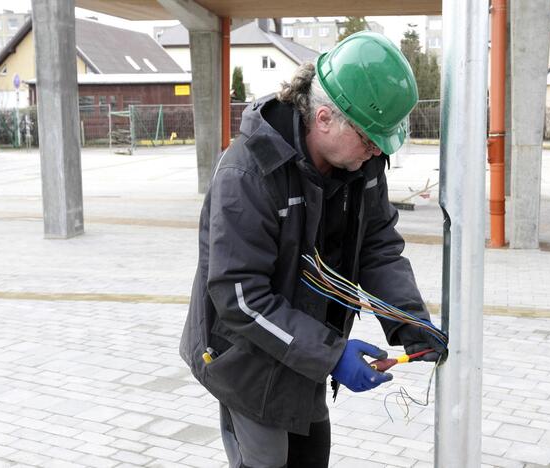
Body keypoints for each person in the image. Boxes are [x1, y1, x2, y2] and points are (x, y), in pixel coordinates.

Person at [180, 31, 447, 468]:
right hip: (246, 357)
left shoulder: (362, 164)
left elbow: (377, 246)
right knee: (266, 462)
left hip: (305, 349)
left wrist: (409, 322)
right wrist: (333, 354)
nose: (378, 150)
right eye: (369, 138)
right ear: (324, 118)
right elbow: (239, 297)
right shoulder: (248, 172)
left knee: (310, 454)